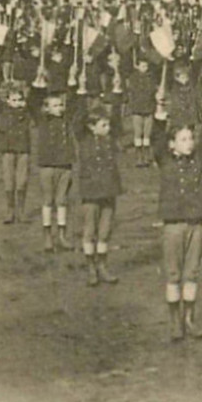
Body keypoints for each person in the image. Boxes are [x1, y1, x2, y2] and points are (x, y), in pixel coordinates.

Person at [152, 92, 202, 341]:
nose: (189, 143)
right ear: (172, 144)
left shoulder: (198, 160)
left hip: (196, 224)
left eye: (190, 138)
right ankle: (174, 322)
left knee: (192, 273)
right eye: (183, 139)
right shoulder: (165, 160)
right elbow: (156, 140)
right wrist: (159, 114)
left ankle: (189, 318)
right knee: (173, 274)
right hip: (173, 226)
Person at [74, 100, 123, 286]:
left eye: (108, 124)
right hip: (91, 191)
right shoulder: (83, 139)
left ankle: (102, 265)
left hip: (109, 190)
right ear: (91, 127)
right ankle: (91, 268)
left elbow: (117, 120)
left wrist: (117, 94)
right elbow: (77, 119)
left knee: (104, 231)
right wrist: (80, 93)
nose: (108, 127)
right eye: (103, 125)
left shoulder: (111, 140)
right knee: (89, 230)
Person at [32, 89, 74, 253]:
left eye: (61, 105)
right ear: (46, 109)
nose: (59, 108)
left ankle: (62, 235)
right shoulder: (42, 120)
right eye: (55, 105)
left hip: (65, 165)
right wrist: (39, 84)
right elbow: (32, 101)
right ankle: (48, 236)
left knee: (62, 200)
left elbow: (78, 107)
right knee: (48, 200)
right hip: (47, 165)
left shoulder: (67, 121)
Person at [0, 80, 32, 225]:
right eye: (13, 100)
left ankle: (21, 210)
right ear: (7, 100)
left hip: (23, 148)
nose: (17, 102)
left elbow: (34, 100)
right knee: (8, 180)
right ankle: (10, 210)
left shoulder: (26, 112)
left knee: (22, 180)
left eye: (20, 99)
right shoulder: (3, 110)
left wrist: (24, 106)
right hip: (7, 148)